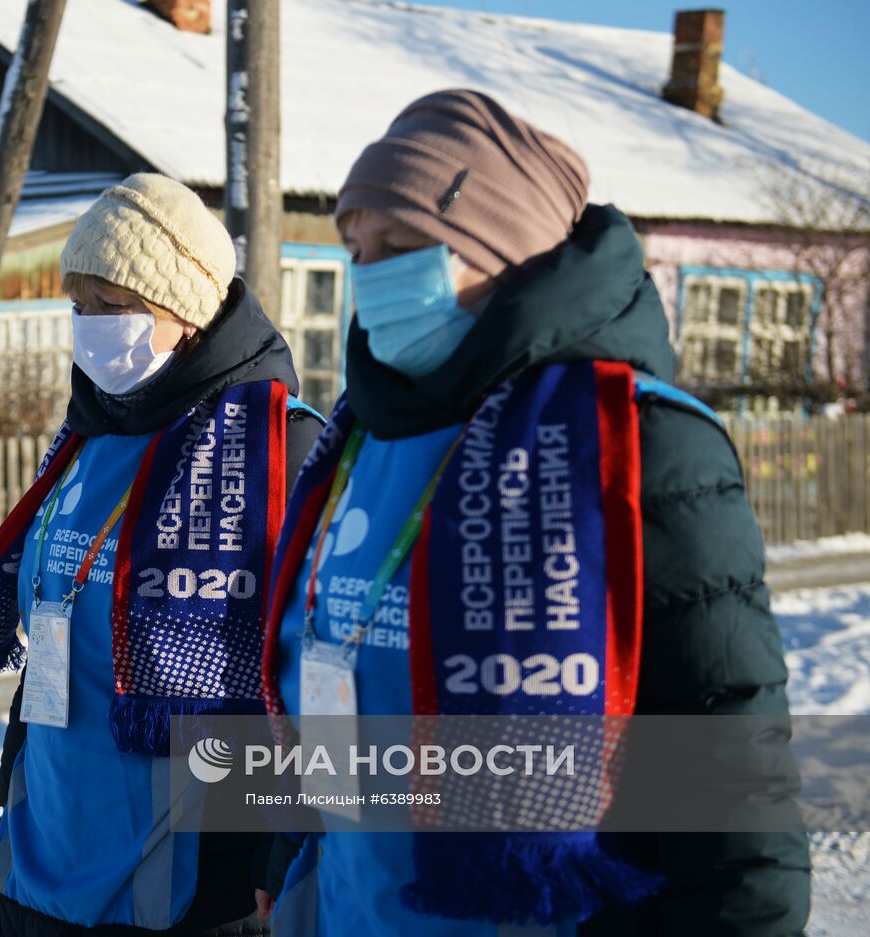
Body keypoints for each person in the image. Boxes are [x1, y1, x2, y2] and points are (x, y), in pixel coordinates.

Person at [258, 90, 809, 936]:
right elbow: (315, 686)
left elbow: (735, 813)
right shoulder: (360, 437)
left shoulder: (640, 440)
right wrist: (282, 866)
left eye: (402, 244)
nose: (370, 275)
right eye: (355, 248)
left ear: (505, 251)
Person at [0, 172, 323, 936]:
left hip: (184, 893)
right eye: (80, 306)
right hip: (39, 862)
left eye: (117, 306)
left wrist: (274, 864)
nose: (91, 327)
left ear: (189, 311)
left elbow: (309, 686)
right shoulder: (88, 434)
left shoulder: (279, 449)